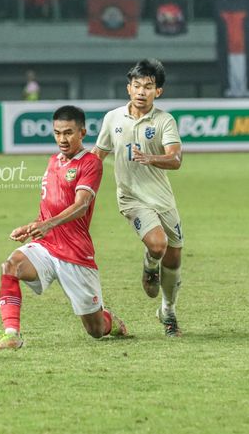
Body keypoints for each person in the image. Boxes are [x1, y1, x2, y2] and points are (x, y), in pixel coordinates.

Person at [0, 105, 128, 351]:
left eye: (68, 133)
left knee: (95, 331)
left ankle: (109, 321)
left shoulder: (91, 163)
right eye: (58, 132)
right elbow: (49, 207)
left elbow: (81, 206)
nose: (62, 139)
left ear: (82, 132)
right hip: (46, 245)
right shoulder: (53, 162)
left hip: (76, 253)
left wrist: (48, 224)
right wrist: (32, 227)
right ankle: (11, 335)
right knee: (10, 266)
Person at [91, 58, 185, 337]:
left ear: (159, 92)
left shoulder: (164, 120)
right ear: (128, 88)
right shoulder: (113, 119)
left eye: (148, 86)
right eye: (137, 85)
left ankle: (168, 311)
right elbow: (98, 156)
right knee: (158, 246)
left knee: (174, 259)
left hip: (163, 199)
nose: (142, 91)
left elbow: (176, 159)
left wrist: (151, 158)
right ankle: (148, 266)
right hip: (131, 198)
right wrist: (82, 187)